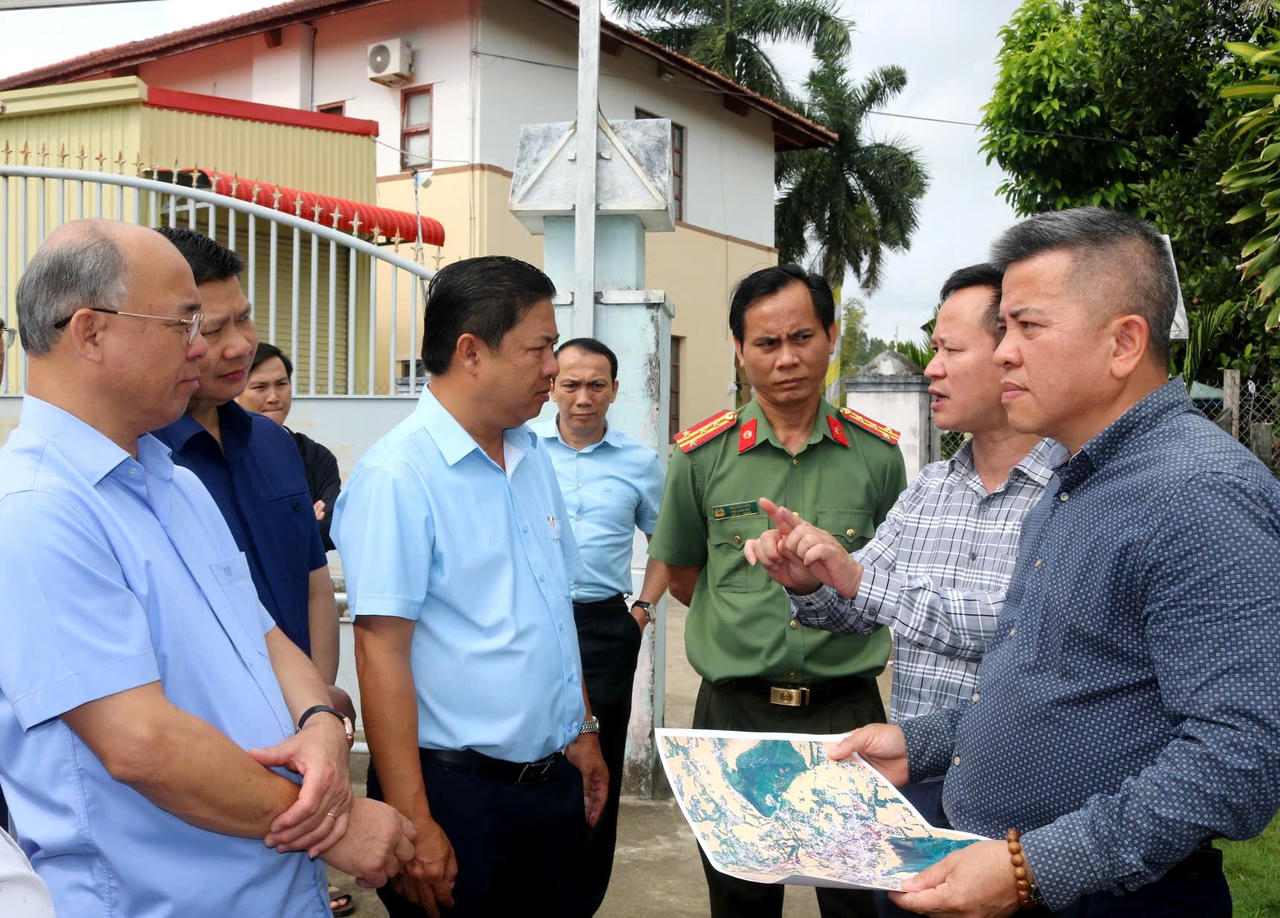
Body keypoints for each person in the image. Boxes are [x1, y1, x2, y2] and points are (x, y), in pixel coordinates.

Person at [830, 207, 1280, 916]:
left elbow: (1239, 757)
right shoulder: (1075, 481)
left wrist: (1030, 867)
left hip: (1108, 897)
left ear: (1124, 343)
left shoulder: (1198, 493)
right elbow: (1050, 683)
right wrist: (920, 744)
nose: (1004, 353)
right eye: (1003, 329)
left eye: (1028, 327)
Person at [0, 219, 414, 915]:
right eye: (182, 323)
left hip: (277, 889)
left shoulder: (174, 482)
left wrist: (318, 718)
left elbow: (262, 635)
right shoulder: (36, 510)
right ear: (91, 333)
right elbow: (140, 743)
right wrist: (335, 822)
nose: (203, 347)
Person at [334, 255, 608, 918]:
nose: (553, 366)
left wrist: (583, 728)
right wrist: (414, 819)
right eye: (539, 348)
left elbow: (553, 612)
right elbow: (379, 652)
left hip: (551, 782)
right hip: (456, 795)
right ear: (471, 352)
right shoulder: (399, 477)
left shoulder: (531, 455)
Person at [648, 263, 907, 918]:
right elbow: (685, 576)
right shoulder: (700, 457)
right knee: (740, 900)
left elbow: (891, 579)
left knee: (857, 902)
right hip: (735, 716)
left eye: (802, 337)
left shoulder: (877, 458)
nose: (786, 358)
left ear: (830, 337)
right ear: (740, 350)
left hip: (846, 716)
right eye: (766, 343)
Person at [152, 228, 342, 691]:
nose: (240, 345)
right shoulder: (141, 460)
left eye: (244, 318)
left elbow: (315, 585)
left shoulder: (274, 444)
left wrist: (316, 702)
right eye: (213, 330)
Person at [534, 336, 668, 913]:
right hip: (533, 623)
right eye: (570, 385)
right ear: (552, 388)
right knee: (534, 755)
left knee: (599, 761)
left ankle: (583, 896)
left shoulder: (639, 464)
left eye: (595, 385)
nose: (582, 398)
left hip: (605, 627)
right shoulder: (522, 451)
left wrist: (642, 611)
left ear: (615, 390)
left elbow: (666, 543)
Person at [238, 342, 343, 551]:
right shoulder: (222, 455)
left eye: (281, 384)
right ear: (235, 392)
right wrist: (306, 521)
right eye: (259, 387)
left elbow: (335, 528)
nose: (274, 397)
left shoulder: (316, 457)